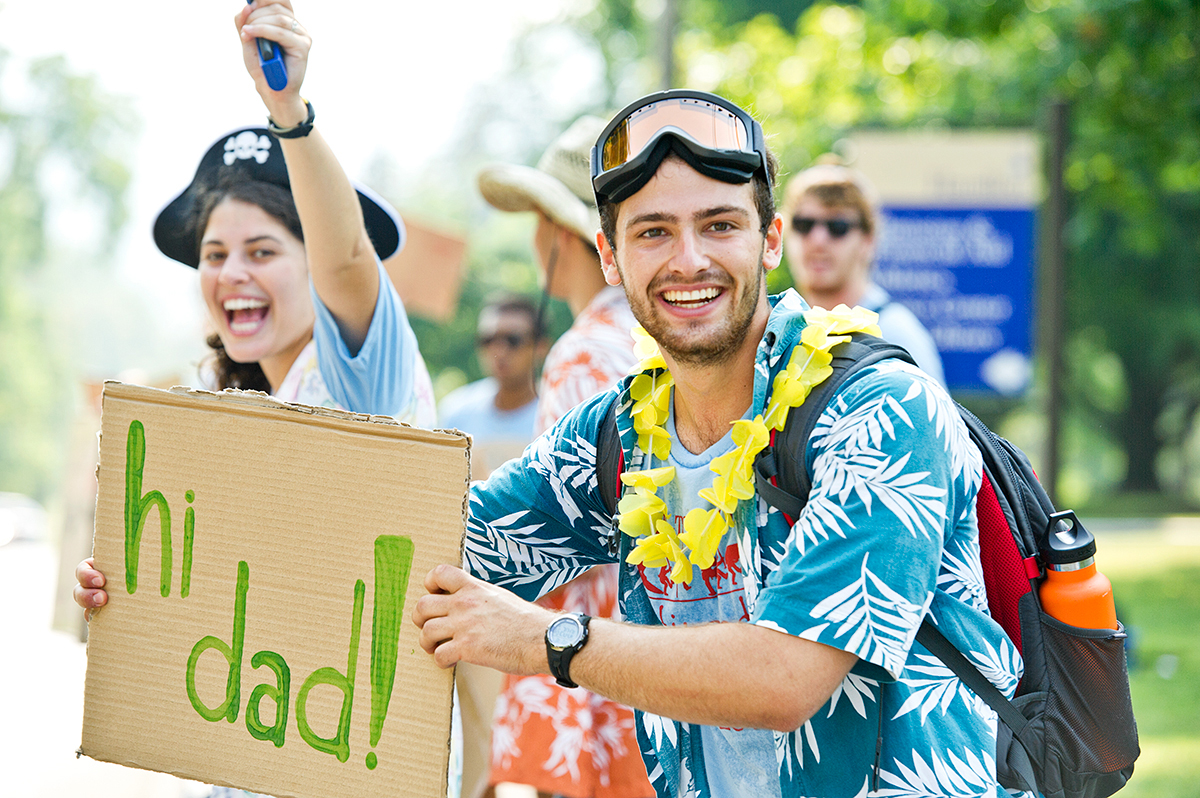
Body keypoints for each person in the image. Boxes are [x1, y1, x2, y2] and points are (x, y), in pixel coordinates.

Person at [411, 90, 1026, 798]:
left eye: (719, 224)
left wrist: (543, 639)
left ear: (769, 240)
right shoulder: (620, 433)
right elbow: (439, 544)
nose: (690, 259)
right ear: (610, 256)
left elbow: (786, 677)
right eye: (653, 233)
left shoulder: (883, 411)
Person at [474, 117, 652, 798]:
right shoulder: (654, 340)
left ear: (553, 234)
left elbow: (563, 527)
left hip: (583, 645)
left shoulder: (583, 351)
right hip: (658, 640)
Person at [151, 0, 437, 424]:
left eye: (261, 251)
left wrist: (286, 107)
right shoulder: (242, 407)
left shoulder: (362, 377)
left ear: (315, 265)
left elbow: (346, 260)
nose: (230, 273)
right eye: (214, 255)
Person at [782, 156, 947, 386]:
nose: (818, 240)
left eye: (837, 227)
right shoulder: (781, 332)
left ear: (868, 240)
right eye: (804, 224)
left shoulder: (895, 336)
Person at [438, 294, 547, 479]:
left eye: (513, 340)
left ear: (541, 347)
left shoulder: (558, 414)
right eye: (488, 340)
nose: (499, 350)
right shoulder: (456, 412)